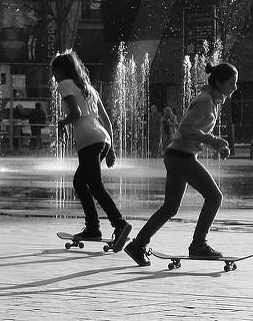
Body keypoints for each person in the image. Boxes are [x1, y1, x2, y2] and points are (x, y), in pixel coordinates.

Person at [124, 63, 237, 266]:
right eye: (231, 83)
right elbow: (185, 128)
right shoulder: (205, 101)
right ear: (219, 82)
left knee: (170, 207)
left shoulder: (210, 101)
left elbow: (192, 132)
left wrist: (216, 145)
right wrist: (212, 141)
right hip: (181, 157)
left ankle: (137, 244)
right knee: (214, 197)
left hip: (177, 155)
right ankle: (198, 245)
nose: (235, 88)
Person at [52, 50, 132, 252]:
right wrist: (111, 148)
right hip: (102, 138)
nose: (54, 77)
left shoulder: (64, 85)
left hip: (88, 140)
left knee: (95, 186)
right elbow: (106, 120)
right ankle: (93, 227)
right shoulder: (89, 89)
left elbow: (75, 113)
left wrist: (61, 124)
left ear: (61, 71)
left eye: (54, 72)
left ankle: (119, 223)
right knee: (80, 182)